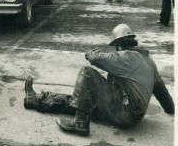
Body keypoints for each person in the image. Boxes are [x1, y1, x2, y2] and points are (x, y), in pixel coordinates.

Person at [24, 23, 174, 137]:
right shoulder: (150, 62)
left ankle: (80, 123)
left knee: (87, 73)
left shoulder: (128, 57)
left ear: (120, 45)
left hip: (123, 112)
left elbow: (95, 58)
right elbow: (163, 94)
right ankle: (35, 100)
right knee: (81, 101)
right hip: (132, 115)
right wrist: (171, 109)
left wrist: (91, 52)